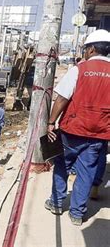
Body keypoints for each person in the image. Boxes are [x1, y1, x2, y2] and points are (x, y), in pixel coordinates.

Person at [45, 29, 110, 226]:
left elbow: (62, 98)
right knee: (86, 172)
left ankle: (56, 203)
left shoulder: (79, 69)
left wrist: (51, 122)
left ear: (91, 49)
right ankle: (77, 214)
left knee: (62, 166)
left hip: (72, 131)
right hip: (99, 133)